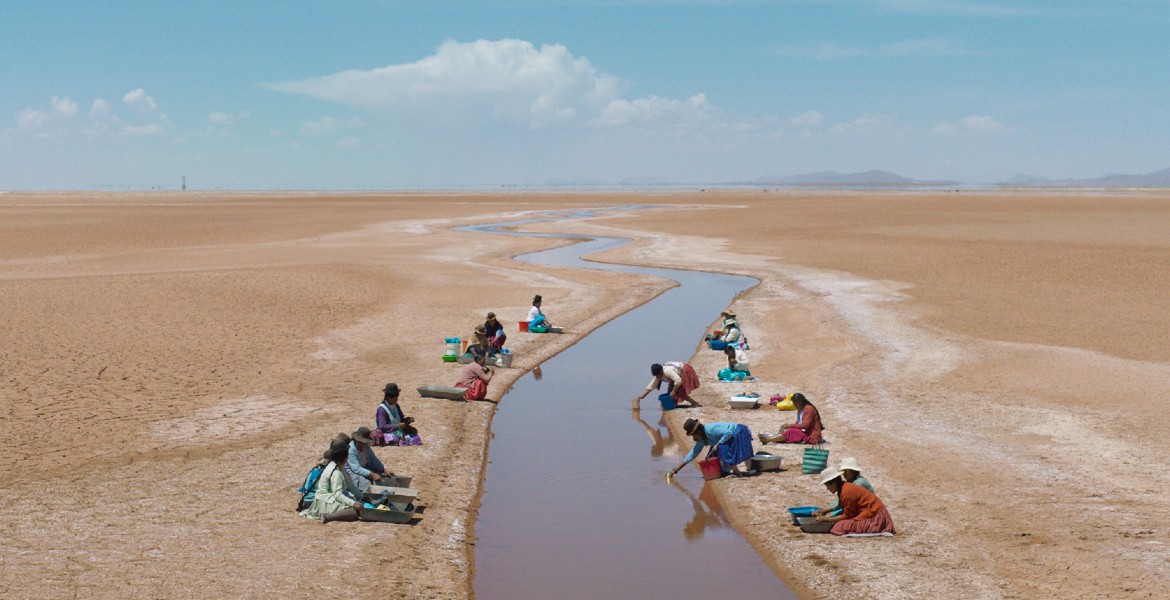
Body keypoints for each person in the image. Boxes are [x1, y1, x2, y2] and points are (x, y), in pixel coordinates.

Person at [299, 434, 364, 524]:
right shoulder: (336, 472)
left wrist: (362, 496)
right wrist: (353, 504)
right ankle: (327, 517)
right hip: (323, 501)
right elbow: (337, 495)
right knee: (354, 512)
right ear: (345, 457)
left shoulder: (335, 465)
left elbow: (349, 484)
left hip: (324, 499)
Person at [814, 468, 895, 536]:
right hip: (872, 511)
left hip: (874, 514)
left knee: (839, 527)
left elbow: (848, 515)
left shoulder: (846, 491)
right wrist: (824, 512)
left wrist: (827, 519)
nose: (827, 489)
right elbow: (842, 505)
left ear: (833, 483)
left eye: (827, 486)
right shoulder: (844, 488)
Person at [669, 418, 756, 477]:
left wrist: (718, 444)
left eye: (693, 435)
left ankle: (736, 471)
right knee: (712, 456)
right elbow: (693, 453)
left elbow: (728, 432)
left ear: (698, 431)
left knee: (721, 448)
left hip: (737, 432)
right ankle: (726, 471)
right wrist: (678, 468)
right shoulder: (701, 439)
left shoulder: (710, 430)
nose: (693, 438)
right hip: (728, 437)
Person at [758, 392, 824, 444]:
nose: (795, 406)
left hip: (812, 437)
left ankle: (768, 440)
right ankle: (772, 438)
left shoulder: (809, 409)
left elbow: (805, 425)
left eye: (795, 404)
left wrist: (789, 425)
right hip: (804, 432)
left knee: (790, 432)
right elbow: (798, 423)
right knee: (788, 431)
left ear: (800, 403)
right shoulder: (800, 409)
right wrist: (789, 426)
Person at [633, 362, 702, 408]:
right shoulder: (657, 376)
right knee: (670, 392)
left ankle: (694, 403)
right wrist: (643, 396)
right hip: (676, 377)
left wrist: (674, 391)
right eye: (656, 376)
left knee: (679, 390)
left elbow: (678, 381)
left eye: (659, 375)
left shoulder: (667, 371)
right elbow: (651, 386)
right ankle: (672, 404)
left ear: (661, 372)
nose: (658, 377)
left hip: (684, 371)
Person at [346, 427, 394, 492]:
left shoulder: (366, 446)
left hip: (365, 467)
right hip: (353, 471)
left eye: (364, 443)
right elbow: (356, 468)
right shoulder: (351, 449)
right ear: (356, 440)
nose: (362, 445)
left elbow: (373, 459)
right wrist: (371, 474)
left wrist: (383, 469)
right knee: (366, 485)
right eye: (360, 442)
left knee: (381, 477)